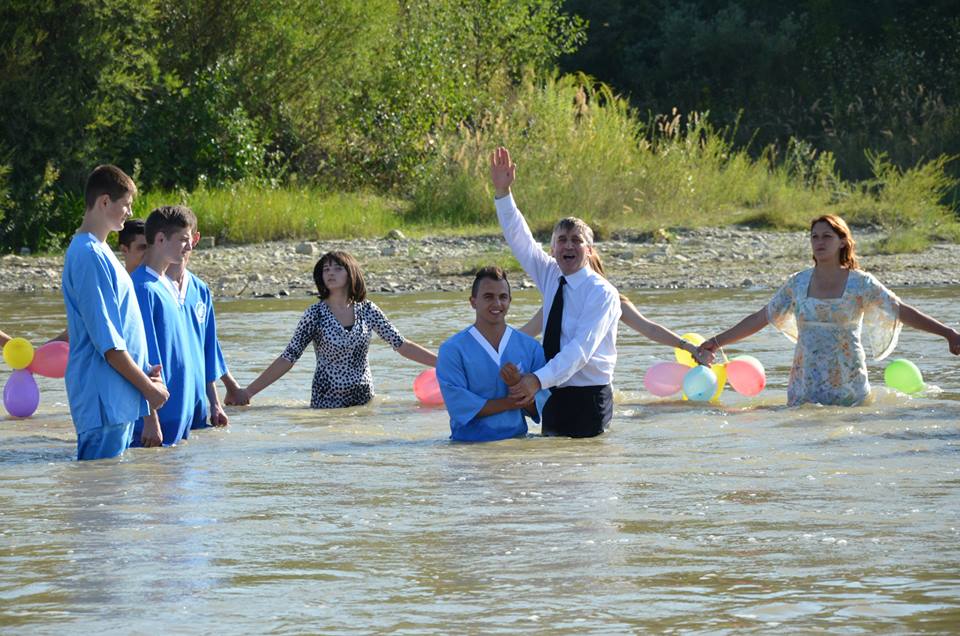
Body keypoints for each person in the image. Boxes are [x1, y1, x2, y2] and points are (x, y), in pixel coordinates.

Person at [699, 215, 960, 406]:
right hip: (805, 381)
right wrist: (716, 341)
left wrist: (947, 333)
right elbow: (761, 317)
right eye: (814, 237)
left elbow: (900, 310)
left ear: (843, 241)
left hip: (847, 379)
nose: (819, 242)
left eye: (827, 236)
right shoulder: (797, 282)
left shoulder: (861, 282)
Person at [490, 146, 621, 438]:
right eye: (562, 240)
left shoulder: (601, 293)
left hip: (588, 397)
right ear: (553, 248)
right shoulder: (551, 274)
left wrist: (536, 380)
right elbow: (520, 239)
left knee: (583, 462)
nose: (569, 246)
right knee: (552, 460)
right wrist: (503, 193)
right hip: (552, 392)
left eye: (577, 240)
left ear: (589, 251)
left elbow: (581, 350)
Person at [61, 165, 168, 460]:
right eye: (126, 204)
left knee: (108, 486)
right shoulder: (88, 254)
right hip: (103, 402)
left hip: (118, 400)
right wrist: (148, 389)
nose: (129, 212)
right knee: (97, 488)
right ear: (105, 202)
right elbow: (107, 343)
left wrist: (145, 372)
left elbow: (122, 327)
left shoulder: (101, 250)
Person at [242, 250, 437, 408]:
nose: (330, 273)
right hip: (326, 403)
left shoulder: (368, 309)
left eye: (337, 268)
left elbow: (401, 345)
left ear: (351, 274)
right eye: (326, 269)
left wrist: (443, 363)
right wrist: (248, 392)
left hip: (364, 400)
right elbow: (288, 358)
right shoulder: (315, 314)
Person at [519, 253, 712, 362]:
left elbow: (650, 329)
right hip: (559, 379)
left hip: (593, 385)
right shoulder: (558, 301)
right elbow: (525, 334)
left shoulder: (611, 300)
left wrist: (689, 347)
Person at [437, 266, 546, 441]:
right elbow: (458, 406)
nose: (497, 304)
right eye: (488, 297)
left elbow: (541, 409)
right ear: (473, 302)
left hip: (517, 444)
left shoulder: (531, 348)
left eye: (503, 297)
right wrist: (511, 401)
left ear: (510, 301)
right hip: (468, 447)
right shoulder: (452, 350)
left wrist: (517, 385)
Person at [129, 205, 199, 447]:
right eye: (183, 240)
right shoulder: (142, 288)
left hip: (176, 419)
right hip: (153, 427)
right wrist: (151, 419)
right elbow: (142, 359)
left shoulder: (166, 284)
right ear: (160, 239)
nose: (189, 247)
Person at [167, 230, 246, 429]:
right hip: (166, 401)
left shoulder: (200, 289)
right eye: (180, 239)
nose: (186, 246)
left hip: (197, 401)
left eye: (188, 239)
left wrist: (216, 402)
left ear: (195, 239)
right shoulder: (149, 287)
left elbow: (207, 346)